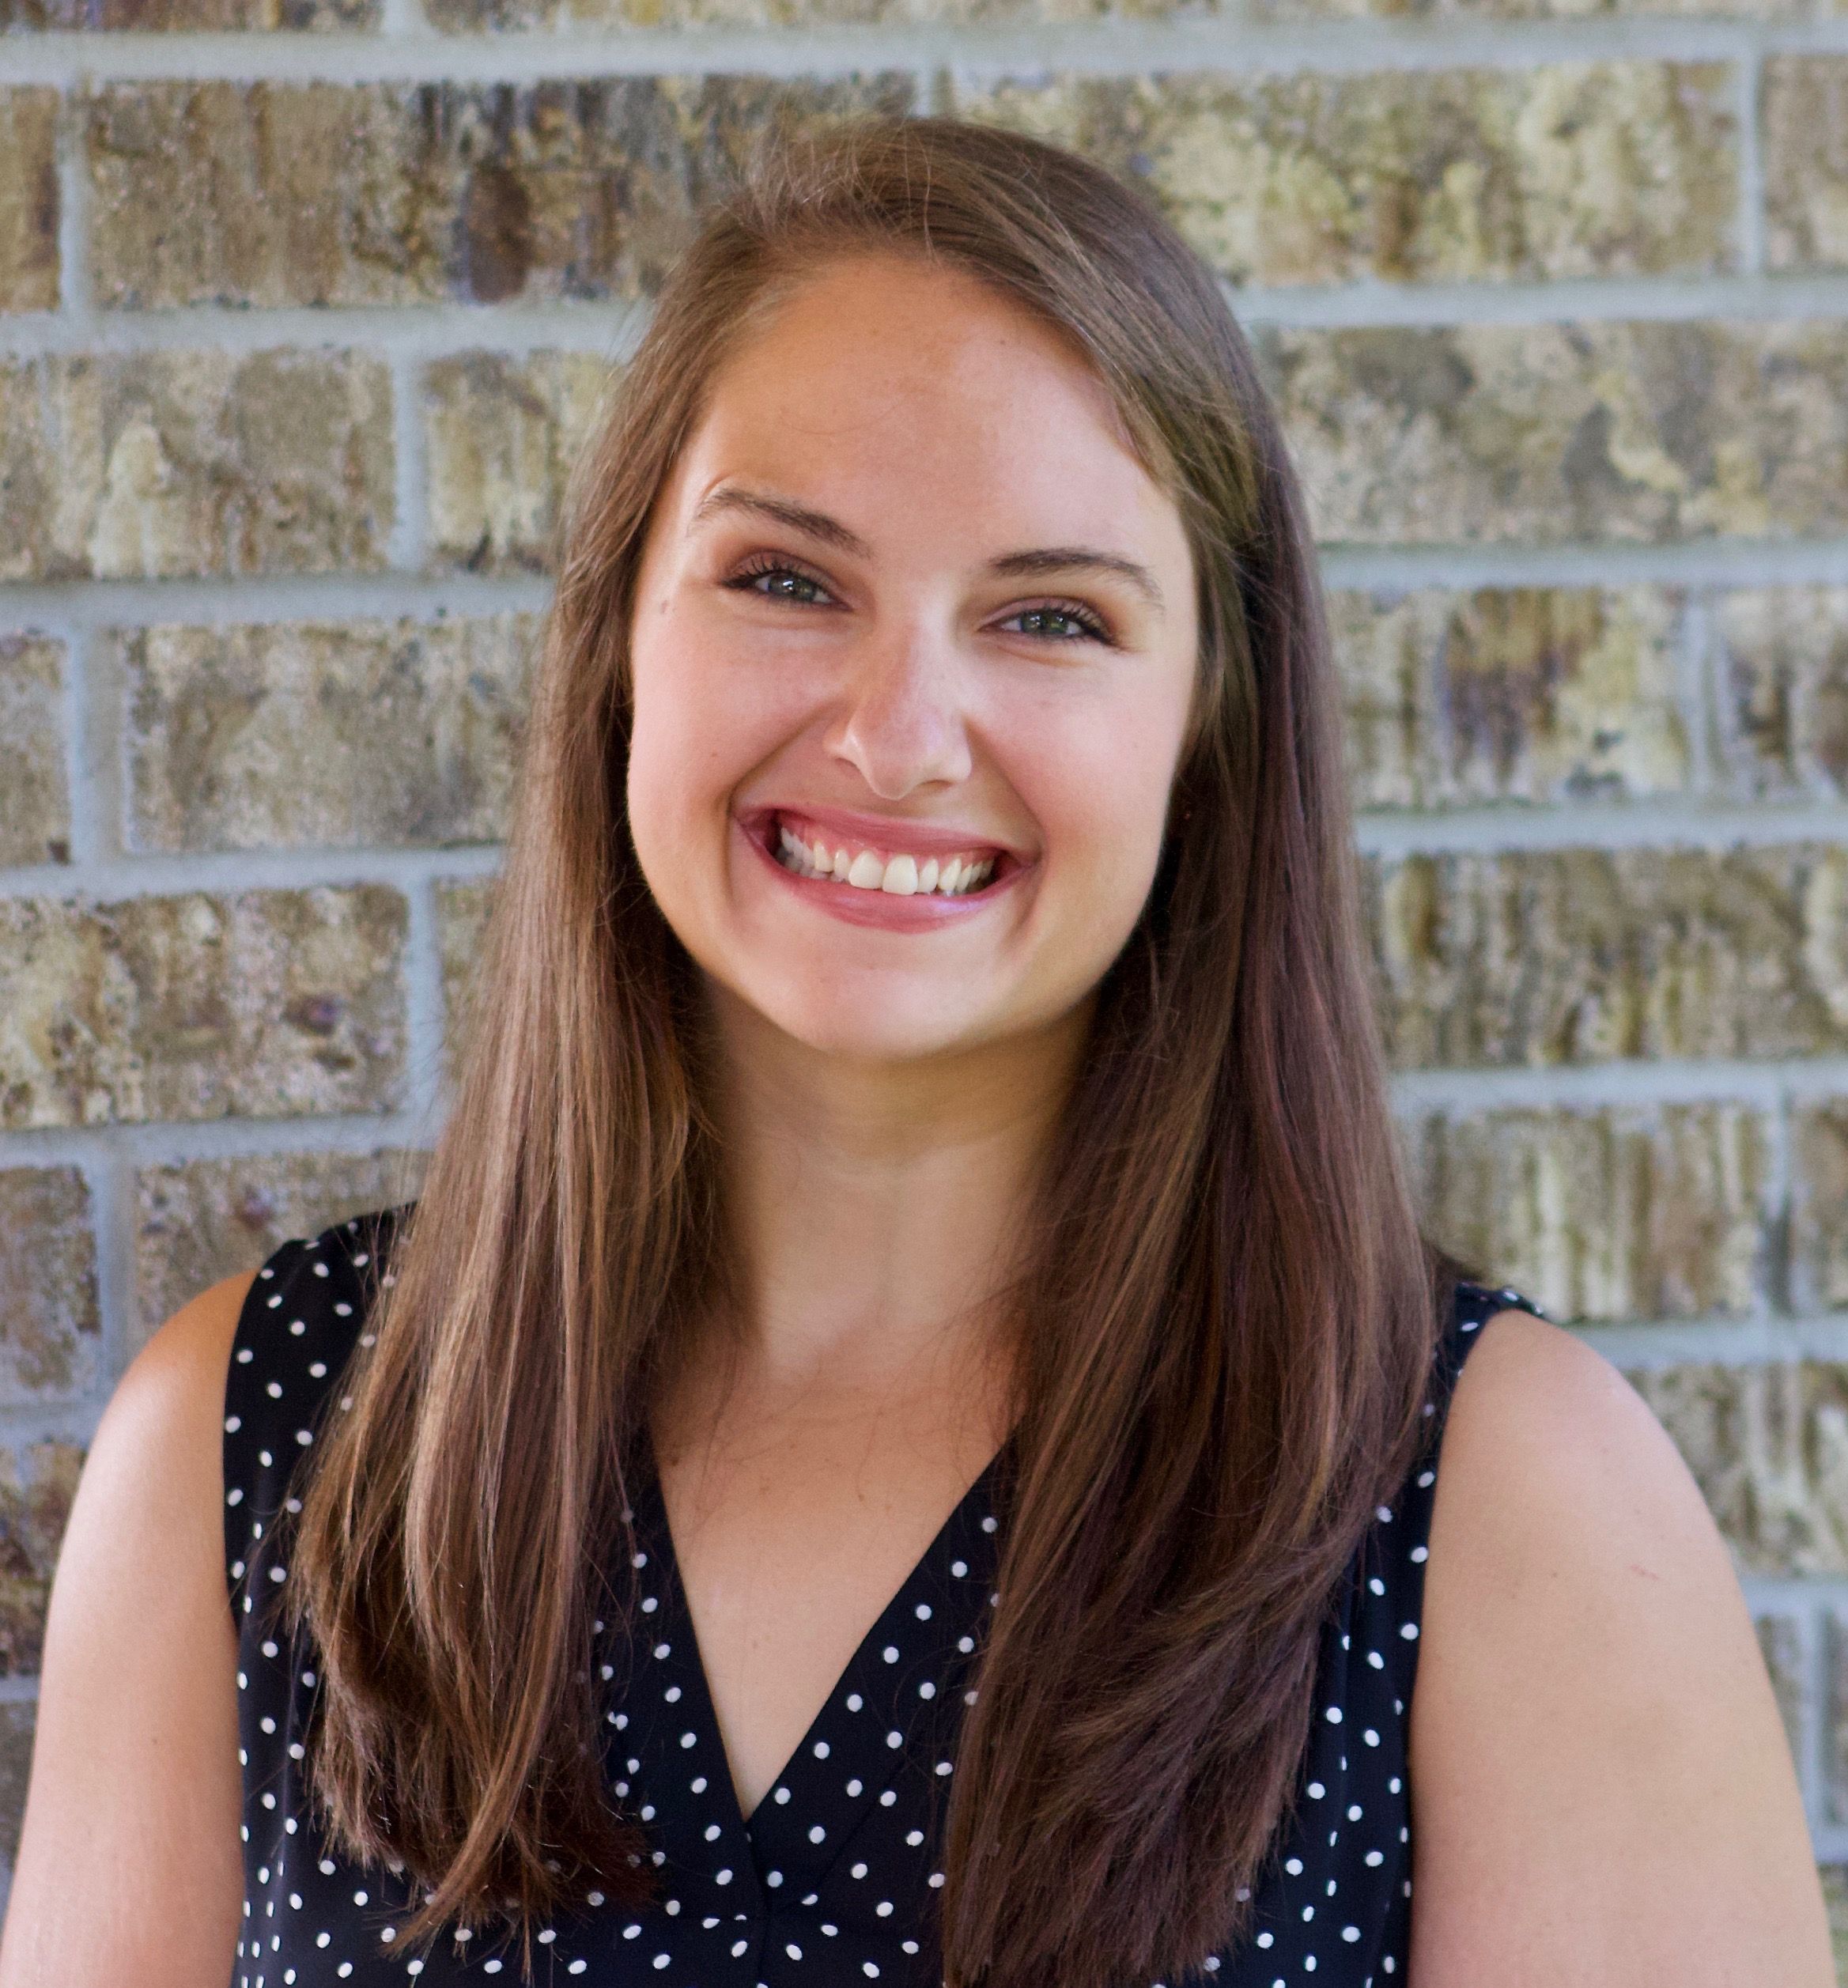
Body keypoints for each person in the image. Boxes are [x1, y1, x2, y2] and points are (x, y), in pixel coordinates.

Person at [1, 114, 1829, 1988]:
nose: (898, 735)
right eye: (787, 581)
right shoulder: (251, 1439)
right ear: (623, 636)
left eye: (1048, 617)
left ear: (1208, 724)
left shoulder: (1499, 1494)